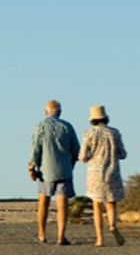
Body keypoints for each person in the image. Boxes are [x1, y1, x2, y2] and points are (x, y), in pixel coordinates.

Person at [28, 99, 80, 245]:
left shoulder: (40, 126)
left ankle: (41, 234)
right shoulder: (67, 126)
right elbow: (76, 150)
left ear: (46, 112)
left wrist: (32, 167)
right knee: (62, 204)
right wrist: (71, 164)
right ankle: (61, 236)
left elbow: (36, 148)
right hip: (65, 170)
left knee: (43, 202)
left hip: (45, 170)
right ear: (60, 112)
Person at [79, 105, 128, 247]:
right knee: (111, 203)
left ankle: (100, 239)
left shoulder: (89, 134)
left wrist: (89, 157)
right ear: (105, 118)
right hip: (112, 172)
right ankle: (112, 226)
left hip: (94, 174)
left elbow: (82, 157)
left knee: (97, 206)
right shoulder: (114, 133)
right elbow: (123, 154)